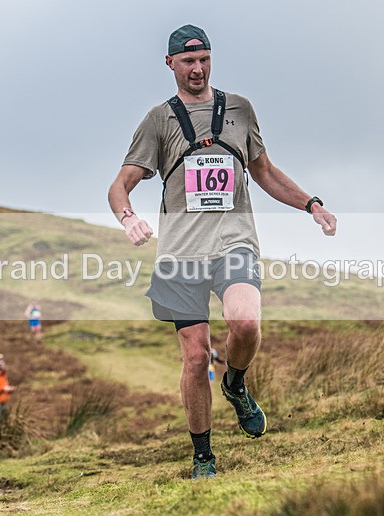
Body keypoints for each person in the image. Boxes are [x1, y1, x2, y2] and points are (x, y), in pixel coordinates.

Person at [107, 24, 337, 480]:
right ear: (170, 64)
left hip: (234, 241)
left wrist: (311, 204)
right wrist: (128, 217)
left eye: (204, 60)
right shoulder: (158, 120)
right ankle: (203, 458)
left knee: (246, 324)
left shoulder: (240, 109)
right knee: (195, 357)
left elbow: (265, 172)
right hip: (180, 254)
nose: (198, 69)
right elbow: (120, 184)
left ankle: (235, 382)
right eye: (188, 61)